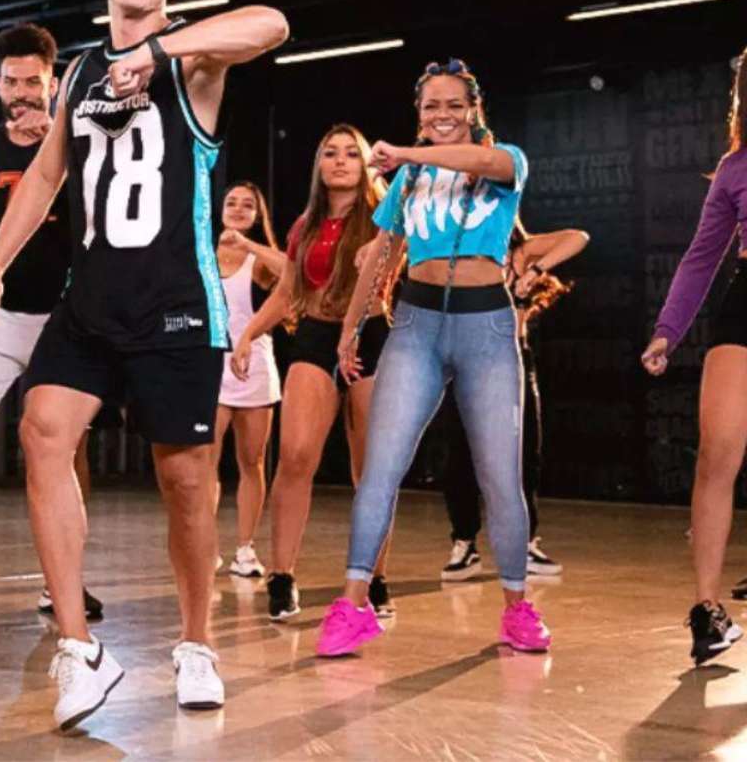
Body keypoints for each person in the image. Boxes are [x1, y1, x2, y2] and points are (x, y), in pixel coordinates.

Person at [0, 0, 288, 728]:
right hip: (90, 301)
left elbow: (272, 24)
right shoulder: (77, 72)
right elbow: (46, 176)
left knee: (185, 482)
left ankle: (196, 643)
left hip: (176, 303)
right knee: (42, 431)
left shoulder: (195, 62)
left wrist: (160, 50)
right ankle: (79, 649)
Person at [319, 58, 551, 658]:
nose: (442, 115)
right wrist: (349, 329)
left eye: (453, 105)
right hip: (416, 326)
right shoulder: (410, 180)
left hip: (487, 327)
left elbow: (481, 163)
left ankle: (517, 607)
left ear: (473, 111)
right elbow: (380, 255)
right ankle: (352, 605)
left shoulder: (506, 160)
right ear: (419, 114)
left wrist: (405, 152)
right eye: (431, 107)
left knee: (500, 477)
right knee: (381, 467)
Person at [0, 23, 103, 630]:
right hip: (0, 311)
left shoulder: (86, 143)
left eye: (33, 81)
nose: (22, 93)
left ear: (53, 84)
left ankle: (65, 582)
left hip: (66, 314)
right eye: (11, 82)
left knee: (64, 443)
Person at [231, 126, 396, 619]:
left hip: (370, 336)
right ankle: (282, 576)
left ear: (366, 165)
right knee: (296, 455)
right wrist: (248, 334)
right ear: (319, 166)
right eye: (330, 153)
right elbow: (287, 292)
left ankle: (374, 577)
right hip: (316, 337)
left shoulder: (387, 217)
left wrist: (379, 246)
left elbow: (393, 261)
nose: (341, 161)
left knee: (372, 468)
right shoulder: (305, 225)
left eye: (351, 154)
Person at [643, 44, 747, 664]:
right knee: (717, 452)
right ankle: (707, 608)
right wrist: (668, 331)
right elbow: (702, 257)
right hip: (745, 304)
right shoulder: (736, 168)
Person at [440, 220, 588, 581]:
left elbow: (578, 238)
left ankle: (524, 543)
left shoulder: (520, 252)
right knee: (459, 455)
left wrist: (535, 270)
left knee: (524, 455)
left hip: (513, 360)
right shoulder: (450, 254)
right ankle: (464, 543)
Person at [211, 181, 284, 579]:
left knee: (252, 460)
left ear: (257, 216)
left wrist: (248, 243)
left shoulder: (261, 260)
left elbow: (292, 272)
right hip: (210, 368)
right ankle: (206, 546)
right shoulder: (203, 253)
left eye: (247, 205)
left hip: (254, 366)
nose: (238, 209)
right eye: (231, 203)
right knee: (205, 461)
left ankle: (245, 549)